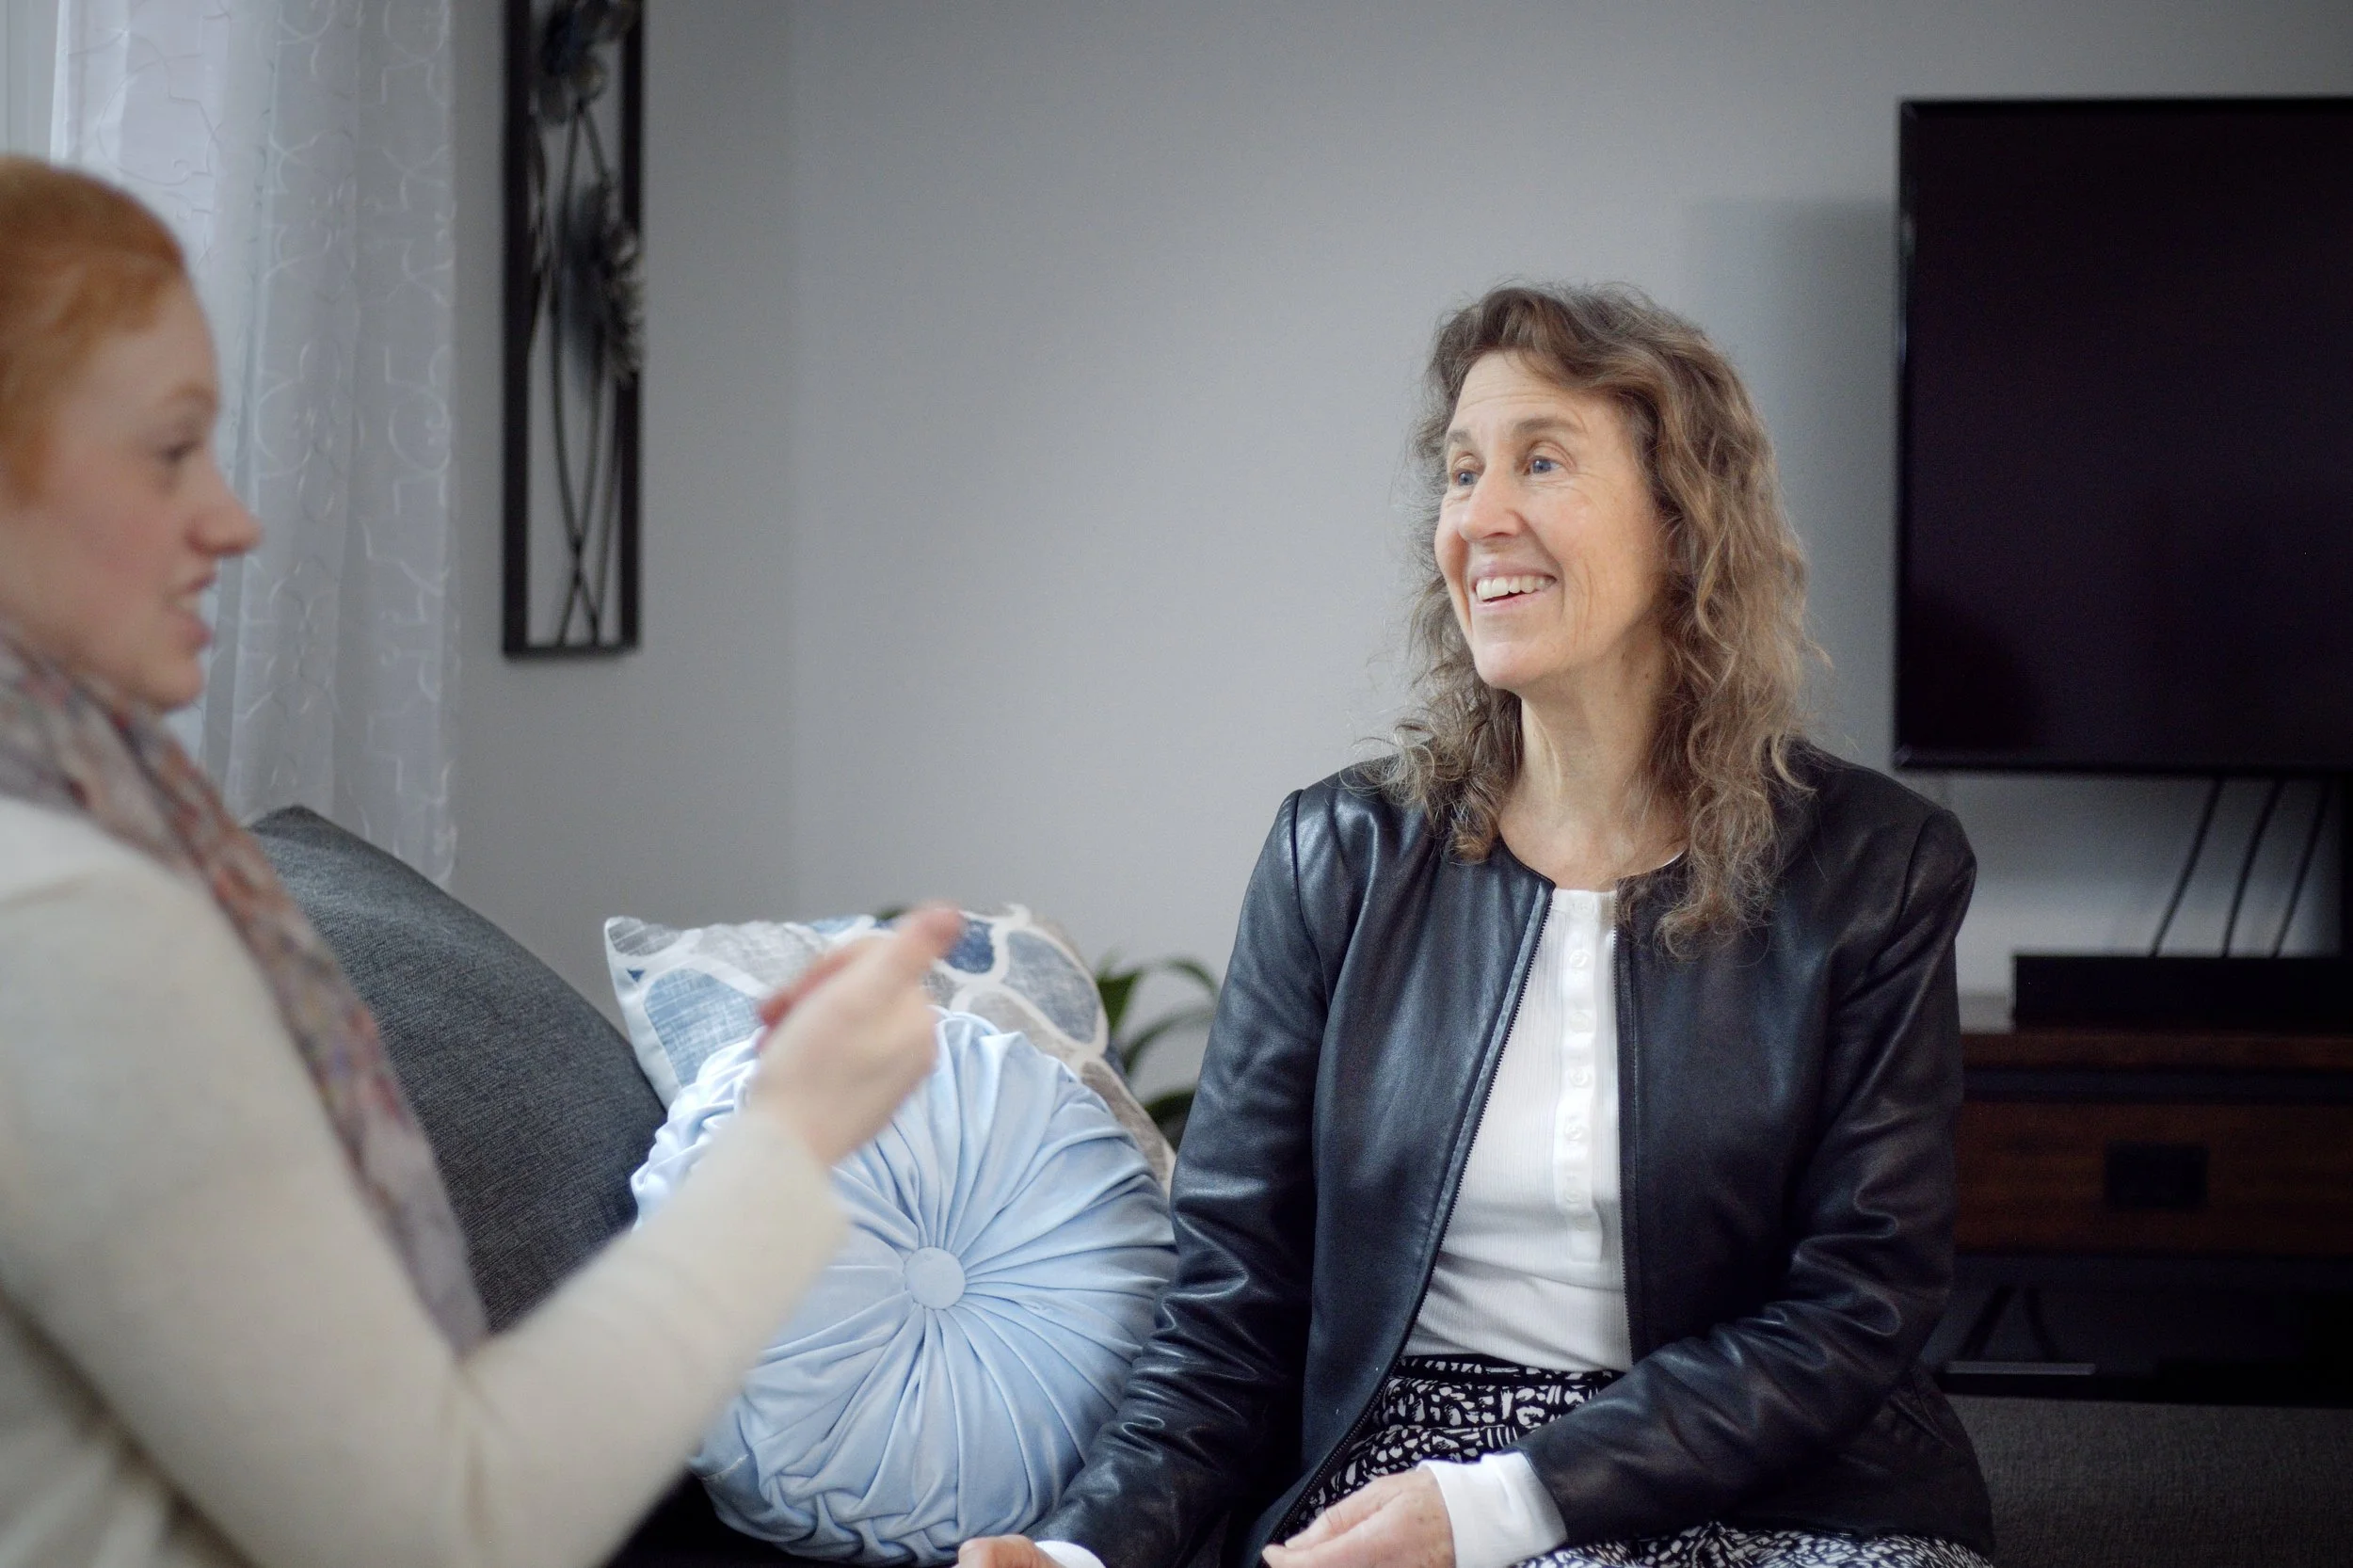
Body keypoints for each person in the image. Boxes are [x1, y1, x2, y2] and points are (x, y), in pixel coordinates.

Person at [0, 155, 961, 1568]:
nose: (233, 518)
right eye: (168, 449)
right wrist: (794, 1130)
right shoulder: (76, 929)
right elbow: (447, 1526)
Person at [965, 284, 1992, 1568]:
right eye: (1461, 472)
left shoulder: (1876, 868)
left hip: (1783, 1485)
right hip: (1410, 1475)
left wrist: (1507, 1505)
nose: (1478, 517)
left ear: (1684, 522)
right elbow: (1229, 1313)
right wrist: (1079, 1552)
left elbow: (1855, 1307)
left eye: (1541, 461)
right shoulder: (1336, 858)